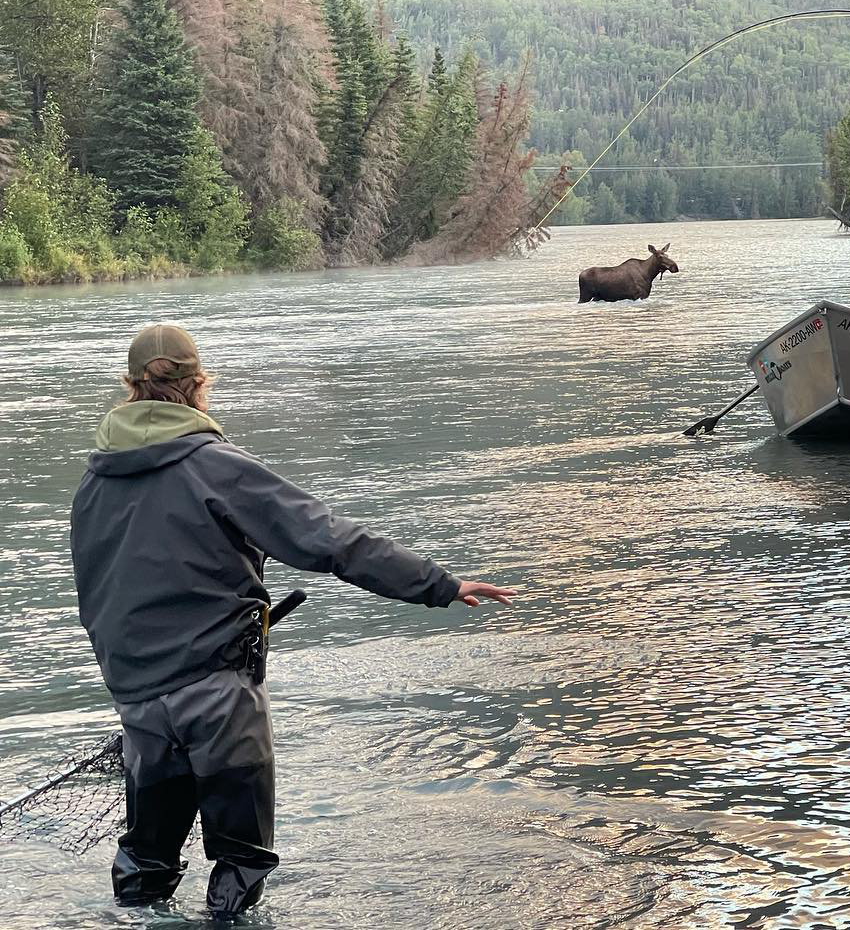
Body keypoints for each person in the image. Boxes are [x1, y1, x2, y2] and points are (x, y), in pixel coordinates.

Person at [70, 324, 517, 918]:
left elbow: (93, 599)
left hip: (139, 704)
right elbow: (329, 539)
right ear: (199, 384)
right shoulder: (216, 467)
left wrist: (134, 688)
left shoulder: (92, 484)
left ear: (130, 387)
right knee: (241, 864)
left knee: (146, 871)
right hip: (219, 699)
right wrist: (438, 585)